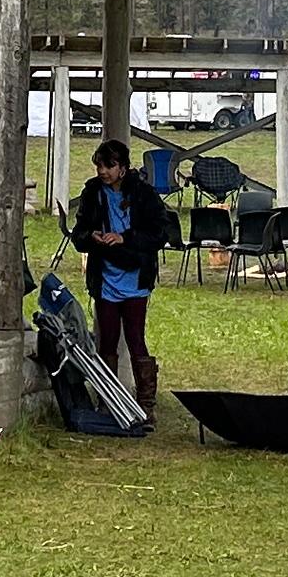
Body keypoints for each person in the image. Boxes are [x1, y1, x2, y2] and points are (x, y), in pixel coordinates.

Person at [65, 136, 173, 416]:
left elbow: (160, 233)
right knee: (107, 341)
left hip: (136, 276)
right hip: (105, 277)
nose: (103, 172)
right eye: (100, 166)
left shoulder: (144, 193)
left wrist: (125, 238)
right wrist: (93, 236)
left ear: (123, 168)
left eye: (109, 166)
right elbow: (78, 235)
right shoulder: (92, 192)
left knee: (136, 339)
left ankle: (146, 405)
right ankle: (108, 400)